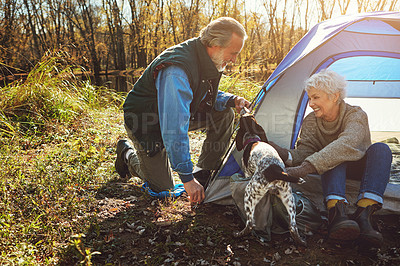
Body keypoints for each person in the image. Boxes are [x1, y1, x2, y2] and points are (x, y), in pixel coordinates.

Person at [115, 17, 250, 204]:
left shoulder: (204, 56)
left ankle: (204, 172)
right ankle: (127, 154)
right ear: (215, 44)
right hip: (147, 124)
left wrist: (231, 100)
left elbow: (199, 91)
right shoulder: (176, 70)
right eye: (233, 53)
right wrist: (186, 178)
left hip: (169, 115)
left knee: (225, 112)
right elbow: (173, 126)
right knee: (164, 189)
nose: (235, 60)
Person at [269, 69, 392, 247]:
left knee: (381, 149)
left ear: (334, 96)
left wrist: (304, 169)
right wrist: (281, 152)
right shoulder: (311, 121)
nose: (310, 103)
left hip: (360, 167)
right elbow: (306, 151)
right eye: (309, 98)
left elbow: (347, 143)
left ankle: (365, 214)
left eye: (315, 97)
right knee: (331, 152)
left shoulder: (356, 114)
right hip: (333, 169)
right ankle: (337, 213)